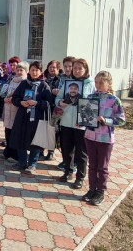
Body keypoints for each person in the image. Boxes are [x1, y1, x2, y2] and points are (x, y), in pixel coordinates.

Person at [82, 71, 125, 205]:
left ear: (109, 84)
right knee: (92, 165)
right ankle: (92, 189)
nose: (98, 85)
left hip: (105, 138)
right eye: (96, 82)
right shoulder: (90, 97)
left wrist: (106, 120)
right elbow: (85, 114)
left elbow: (121, 120)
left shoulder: (113, 100)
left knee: (102, 166)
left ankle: (100, 192)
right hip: (90, 136)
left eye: (101, 82)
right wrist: (82, 121)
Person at [56, 58, 95, 189]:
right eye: (75, 68)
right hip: (66, 121)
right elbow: (57, 98)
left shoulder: (90, 84)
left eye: (80, 68)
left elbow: (93, 104)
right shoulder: (68, 82)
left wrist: (85, 121)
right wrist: (60, 103)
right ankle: (68, 172)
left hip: (81, 124)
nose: (77, 71)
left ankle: (80, 177)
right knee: (67, 149)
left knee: (81, 152)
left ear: (86, 70)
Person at [10, 61, 52, 174]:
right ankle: (22, 162)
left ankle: (32, 164)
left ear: (41, 72)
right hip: (23, 116)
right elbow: (15, 98)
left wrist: (36, 103)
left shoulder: (44, 86)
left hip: (37, 119)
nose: (34, 72)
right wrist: (21, 102)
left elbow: (49, 103)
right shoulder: (24, 83)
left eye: (36, 70)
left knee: (35, 141)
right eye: (32, 70)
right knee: (21, 139)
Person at [2, 60, 27, 160]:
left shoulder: (25, 82)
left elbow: (24, 96)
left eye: (22, 70)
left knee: (15, 133)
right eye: (18, 70)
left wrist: (13, 99)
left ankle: (14, 155)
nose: (19, 72)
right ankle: (7, 152)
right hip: (8, 108)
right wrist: (5, 98)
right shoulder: (12, 79)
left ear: (26, 71)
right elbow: (6, 91)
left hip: (16, 109)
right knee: (8, 131)